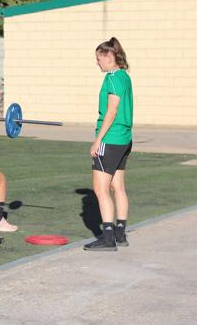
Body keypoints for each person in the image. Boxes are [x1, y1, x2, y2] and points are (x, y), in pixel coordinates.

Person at [84, 37, 133, 252]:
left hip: (110, 138)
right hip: (124, 138)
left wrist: (97, 141)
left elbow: (112, 111)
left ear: (109, 56)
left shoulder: (112, 78)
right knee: (118, 187)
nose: (97, 62)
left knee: (100, 189)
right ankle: (120, 233)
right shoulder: (124, 76)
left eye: (98, 58)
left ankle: (108, 238)